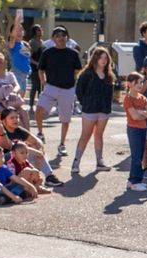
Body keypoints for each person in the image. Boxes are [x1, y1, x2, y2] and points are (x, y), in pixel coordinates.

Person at [35, 26, 82, 154]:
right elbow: (40, 68)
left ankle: (62, 144)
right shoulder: (48, 53)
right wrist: (42, 80)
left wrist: (72, 77)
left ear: (67, 37)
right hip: (51, 87)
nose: (61, 38)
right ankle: (40, 133)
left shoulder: (73, 54)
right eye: (58, 35)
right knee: (39, 109)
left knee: (65, 119)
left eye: (63, 35)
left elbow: (78, 69)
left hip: (68, 89)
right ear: (53, 39)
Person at [71, 46, 115, 174]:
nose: (103, 60)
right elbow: (79, 90)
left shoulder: (109, 75)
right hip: (90, 109)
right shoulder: (87, 74)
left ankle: (99, 161)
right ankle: (76, 162)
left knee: (99, 135)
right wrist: (85, 103)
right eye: (101, 57)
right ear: (95, 58)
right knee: (85, 135)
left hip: (104, 110)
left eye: (106, 58)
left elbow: (110, 94)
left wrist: (108, 108)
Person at [0, 108, 62, 188]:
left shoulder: (19, 130)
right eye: (12, 118)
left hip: (18, 159)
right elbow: (14, 148)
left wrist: (39, 153)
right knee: (27, 150)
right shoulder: (1, 131)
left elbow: (38, 141)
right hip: (5, 161)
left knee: (34, 147)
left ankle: (49, 177)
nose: (16, 120)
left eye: (17, 117)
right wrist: (36, 152)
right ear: (4, 121)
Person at [123, 72, 147, 192]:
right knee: (136, 156)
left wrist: (141, 113)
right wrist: (143, 113)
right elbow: (134, 116)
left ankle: (131, 180)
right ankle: (136, 182)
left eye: (141, 82)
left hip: (143, 128)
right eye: (137, 82)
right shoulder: (128, 99)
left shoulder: (143, 98)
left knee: (139, 155)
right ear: (129, 84)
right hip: (133, 129)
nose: (140, 85)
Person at [8, 18, 32, 95]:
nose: (19, 32)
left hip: (25, 74)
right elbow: (12, 37)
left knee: (21, 97)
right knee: (17, 96)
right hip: (17, 73)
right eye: (16, 30)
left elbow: (28, 58)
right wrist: (16, 23)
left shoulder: (24, 44)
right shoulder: (12, 44)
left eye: (21, 29)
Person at [28, 25, 45, 109]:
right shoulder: (32, 42)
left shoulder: (43, 42)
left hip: (42, 68)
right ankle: (31, 105)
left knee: (42, 87)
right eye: (38, 30)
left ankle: (40, 105)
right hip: (34, 68)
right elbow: (29, 57)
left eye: (41, 29)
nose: (41, 31)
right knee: (35, 86)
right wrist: (36, 63)